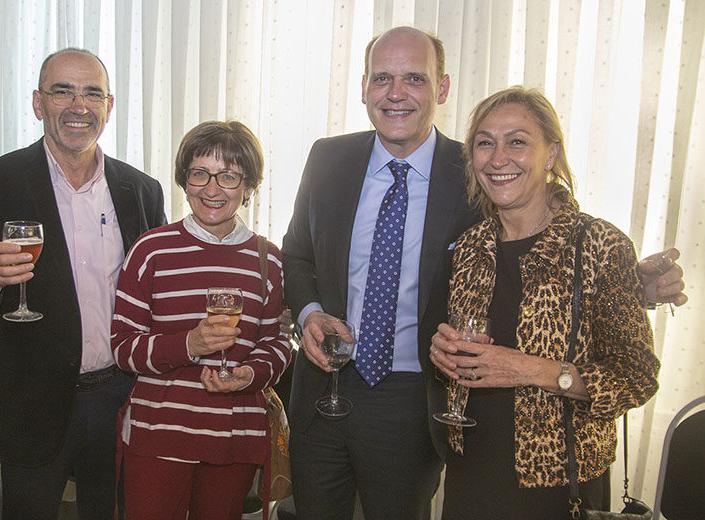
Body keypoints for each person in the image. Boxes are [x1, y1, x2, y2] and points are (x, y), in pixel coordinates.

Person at [281, 26, 685, 520]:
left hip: (414, 405)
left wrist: (631, 284)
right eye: (382, 78)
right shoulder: (328, 157)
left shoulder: (473, 171)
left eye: (415, 78)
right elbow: (296, 252)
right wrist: (310, 312)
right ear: (364, 87)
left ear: (442, 87)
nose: (396, 93)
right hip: (322, 391)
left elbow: (548, 245)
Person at [0, 48, 166, 520]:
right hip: (32, 405)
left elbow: (158, 293)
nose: (78, 106)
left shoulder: (141, 190)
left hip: (121, 400)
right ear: (38, 103)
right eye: (62, 91)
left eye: (92, 93)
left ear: (109, 106)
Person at [429, 86, 661, 519]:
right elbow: (462, 353)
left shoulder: (599, 245)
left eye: (517, 141)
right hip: (471, 473)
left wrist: (529, 369)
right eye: (485, 143)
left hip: (560, 486)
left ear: (551, 154)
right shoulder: (469, 247)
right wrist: (441, 354)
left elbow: (637, 376)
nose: (498, 159)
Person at [111, 120, 291, 519]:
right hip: (159, 436)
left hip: (235, 436)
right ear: (184, 180)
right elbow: (123, 347)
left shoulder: (268, 259)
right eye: (199, 174)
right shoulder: (151, 250)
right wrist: (189, 345)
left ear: (248, 187)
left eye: (228, 176)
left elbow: (277, 344)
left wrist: (251, 375)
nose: (212, 189)